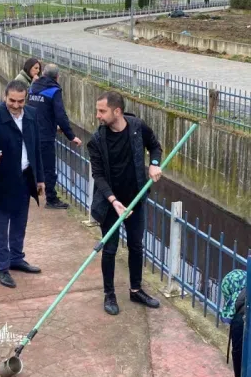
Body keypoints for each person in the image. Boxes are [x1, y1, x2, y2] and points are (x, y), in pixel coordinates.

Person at [87, 91, 163, 315]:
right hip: (111, 203)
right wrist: (113, 201)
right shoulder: (97, 140)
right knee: (109, 249)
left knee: (136, 246)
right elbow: (98, 176)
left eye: (102, 111)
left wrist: (154, 164)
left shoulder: (138, 127)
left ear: (117, 111)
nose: (98, 115)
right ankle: (109, 294)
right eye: (98, 110)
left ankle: (136, 289)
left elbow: (155, 146)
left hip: (135, 199)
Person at [0, 80, 45, 289]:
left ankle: (16, 258)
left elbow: (36, 149)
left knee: (20, 221)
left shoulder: (32, 115)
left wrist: (40, 178)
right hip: (0, 180)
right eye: (12, 101)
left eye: (20, 101)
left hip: (25, 177)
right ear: (4, 97)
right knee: (0, 227)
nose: (16, 105)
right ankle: (1, 266)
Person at [28, 63, 82, 210]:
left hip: (31, 132)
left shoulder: (33, 86)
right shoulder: (54, 90)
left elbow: (33, 108)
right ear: (57, 77)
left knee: (32, 163)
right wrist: (71, 136)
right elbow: (61, 115)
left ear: (44, 74)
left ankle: (31, 190)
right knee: (49, 168)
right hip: (45, 135)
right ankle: (51, 199)